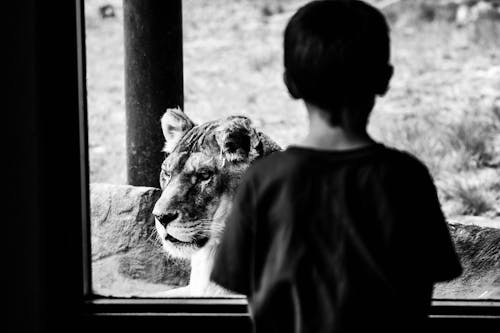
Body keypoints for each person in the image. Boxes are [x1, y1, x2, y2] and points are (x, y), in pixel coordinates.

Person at [210, 1, 463, 332]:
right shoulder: (407, 177)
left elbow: (237, 280)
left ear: (289, 84)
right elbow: (430, 278)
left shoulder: (263, 179)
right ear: (385, 81)